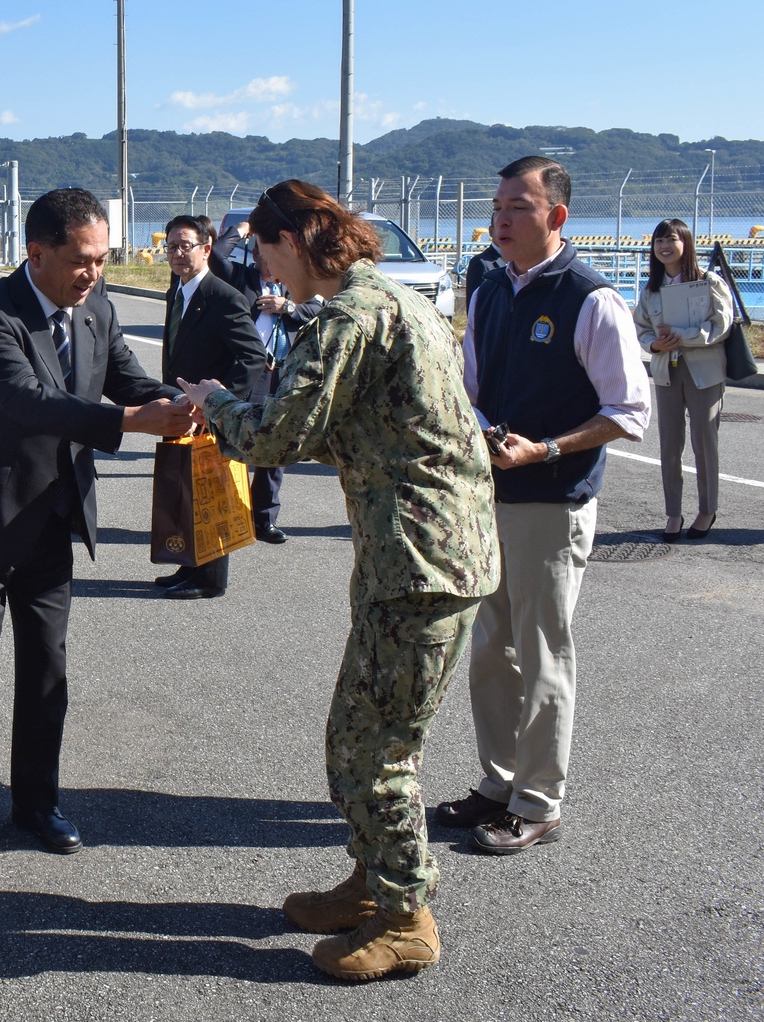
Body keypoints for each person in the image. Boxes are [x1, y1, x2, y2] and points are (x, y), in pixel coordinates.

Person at [178, 179, 499, 983]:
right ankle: (372, 882)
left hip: (417, 562)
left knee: (374, 748)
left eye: (262, 251)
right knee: (360, 735)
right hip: (425, 555)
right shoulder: (391, 299)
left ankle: (406, 918)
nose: (263, 270)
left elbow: (279, 434)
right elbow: (363, 423)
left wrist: (215, 403)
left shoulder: (350, 316)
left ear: (294, 241)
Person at [0, 189, 192, 864]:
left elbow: (126, 379)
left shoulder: (96, 308)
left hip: (53, 517)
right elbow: (27, 403)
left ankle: (37, 803)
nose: (93, 274)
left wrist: (184, 401)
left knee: (47, 672)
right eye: (81, 260)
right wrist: (134, 424)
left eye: (101, 260)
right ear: (36, 253)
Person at [436, 156, 651, 854]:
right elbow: (469, 382)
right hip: (490, 495)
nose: (501, 218)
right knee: (490, 652)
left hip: (551, 500)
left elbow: (628, 412)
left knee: (542, 652)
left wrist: (548, 449)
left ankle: (538, 800)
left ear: (556, 217)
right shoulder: (492, 287)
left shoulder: (591, 298)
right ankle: (497, 782)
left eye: (518, 207)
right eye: (497, 205)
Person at [154, 214, 264, 599]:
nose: (178, 253)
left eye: (186, 245)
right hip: (182, 410)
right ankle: (189, 566)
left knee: (213, 496)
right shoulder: (177, 290)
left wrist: (219, 401)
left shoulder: (223, 296)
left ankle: (211, 579)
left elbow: (252, 357)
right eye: (171, 246)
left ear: (206, 248)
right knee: (186, 492)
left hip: (212, 414)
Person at [210, 222, 323, 542]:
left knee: (277, 446)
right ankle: (233, 511)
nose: (274, 266)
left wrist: (286, 307)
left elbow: (316, 305)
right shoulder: (241, 278)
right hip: (250, 373)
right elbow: (217, 255)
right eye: (268, 256)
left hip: (285, 371)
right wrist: (243, 229)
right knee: (239, 439)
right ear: (256, 254)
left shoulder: (293, 283)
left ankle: (264, 518)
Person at [633, 218, 733, 541]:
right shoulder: (651, 290)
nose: (663, 246)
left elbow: (722, 325)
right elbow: (640, 329)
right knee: (669, 444)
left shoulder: (708, 282)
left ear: (686, 243)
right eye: (658, 241)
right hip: (667, 372)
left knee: (705, 443)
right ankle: (673, 513)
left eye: (671, 240)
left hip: (704, 372)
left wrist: (684, 336)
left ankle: (707, 509)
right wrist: (654, 344)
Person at [464, 217, 505, 312]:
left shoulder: (518, 261)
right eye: (501, 227)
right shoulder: (480, 263)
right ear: (491, 231)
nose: (507, 232)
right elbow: (475, 309)